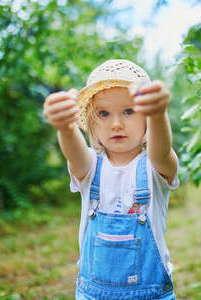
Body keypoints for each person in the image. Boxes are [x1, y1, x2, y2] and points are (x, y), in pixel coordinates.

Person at [42, 59, 179, 299]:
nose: (116, 124)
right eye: (103, 113)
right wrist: (65, 127)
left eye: (129, 111)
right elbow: (75, 154)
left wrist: (158, 115)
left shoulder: (153, 167)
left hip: (151, 294)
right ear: (92, 123)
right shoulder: (91, 166)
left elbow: (162, 151)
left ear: (146, 118)